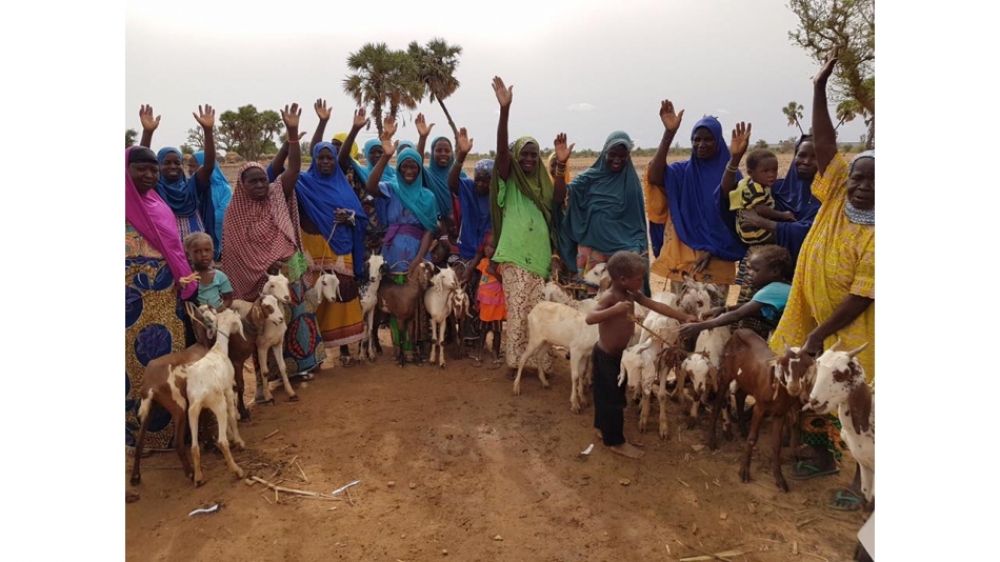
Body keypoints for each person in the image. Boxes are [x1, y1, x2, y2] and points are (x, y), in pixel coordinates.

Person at [769, 49, 874, 512]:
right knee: (809, 384)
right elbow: (828, 145)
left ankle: (862, 479)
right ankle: (819, 453)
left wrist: (819, 334)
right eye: (859, 177)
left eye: (874, 181)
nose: (863, 186)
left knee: (857, 403)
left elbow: (859, 297)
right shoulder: (834, 191)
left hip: (851, 332)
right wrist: (818, 89)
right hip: (810, 313)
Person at [220, 103, 327, 391]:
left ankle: (305, 365)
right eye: (252, 181)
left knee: (299, 315)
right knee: (265, 323)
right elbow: (235, 251)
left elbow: (293, 167)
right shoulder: (234, 213)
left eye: (262, 180)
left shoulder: (277, 192)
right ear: (242, 185)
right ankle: (273, 376)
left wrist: (292, 134)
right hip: (260, 279)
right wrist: (263, 270)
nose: (260, 185)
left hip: (290, 266)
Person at [585, 251, 697, 459]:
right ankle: (616, 442)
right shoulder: (612, 297)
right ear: (623, 280)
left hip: (618, 357)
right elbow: (590, 318)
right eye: (640, 278)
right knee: (613, 400)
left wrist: (684, 317)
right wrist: (615, 310)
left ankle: (602, 428)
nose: (642, 281)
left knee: (607, 396)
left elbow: (656, 305)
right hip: (605, 357)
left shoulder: (631, 293)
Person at [489, 76, 566, 378]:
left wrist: (560, 165)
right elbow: (501, 154)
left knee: (540, 313)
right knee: (519, 312)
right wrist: (505, 110)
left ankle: (541, 362)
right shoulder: (509, 178)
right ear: (517, 157)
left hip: (541, 256)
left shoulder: (544, 184)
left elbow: (558, 200)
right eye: (525, 154)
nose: (530, 159)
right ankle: (517, 361)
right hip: (515, 255)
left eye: (534, 154)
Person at [126, 146, 199, 453]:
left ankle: (171, 433)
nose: (149, 175)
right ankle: (133, 436)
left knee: (167, 363)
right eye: (141, 169)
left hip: (166, 300)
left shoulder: (159, 205)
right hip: (130, 304)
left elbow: (175, 250)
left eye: (153, 170)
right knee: (131, 366)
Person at [644, 101, 746, 304]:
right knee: (682, 316)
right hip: (684, 257)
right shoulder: (682, 172)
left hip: (718, 257)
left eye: (708, 139)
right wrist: (668, 134)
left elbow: (734, 220)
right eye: (696, 140)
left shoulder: (731, 175)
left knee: (711, 319)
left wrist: (713, 249)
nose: (701, 144)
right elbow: (655, 177)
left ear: (718, 141)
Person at [719, 133, 821, 336]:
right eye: (801, 155)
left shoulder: (826, 197)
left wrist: (764, 222)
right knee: (746, 320)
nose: (806, 161)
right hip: (760, 269)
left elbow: (812, 232)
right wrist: (735, 159)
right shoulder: (776, 187)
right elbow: (728, 195)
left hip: (801, 274)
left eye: (815, 156)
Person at [365, 118, 438, 362]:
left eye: (413, 168)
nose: (409, 171)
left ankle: (415, 347)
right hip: (393, 252)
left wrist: (419, 259)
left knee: (416, 300)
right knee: (396, 300)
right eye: (404, 167)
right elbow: (370, 185)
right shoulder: (392, 188)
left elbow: (430, 230)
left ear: (419, 170)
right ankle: (398, 348)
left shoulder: (428, 196)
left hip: (418, 253)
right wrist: (386, 156)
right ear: (399, 168)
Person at [559, 130, 650, 296]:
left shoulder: (631, 185)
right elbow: (560, 197)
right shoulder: (588, 179)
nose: (617, 159)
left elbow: (636, 225)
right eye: (612, 154)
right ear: (604, 153)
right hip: (592, 251)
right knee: (591, 302)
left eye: (622, 156)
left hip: (623, 253)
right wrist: (561, 165)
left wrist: (636, 251)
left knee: (624, 300)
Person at [138, 104, 220, 247]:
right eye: (167, 163)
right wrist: (148, 132)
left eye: (177, 163)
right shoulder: (155, 188)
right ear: (158, 165)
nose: (173, 167)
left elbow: (208, 166)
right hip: (166, 246)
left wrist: (208, 131)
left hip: (196, 250)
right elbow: (142, 162)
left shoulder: (192, 186)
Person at [678, 245, 792, 341]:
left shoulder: (772, 290)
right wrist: (724, 309)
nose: (750, 274)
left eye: (756, 270)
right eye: (749, 269)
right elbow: (751, 307)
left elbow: (738, 314)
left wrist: (700, 326)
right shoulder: (781, 286)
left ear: (775, 271)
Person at [725, 145, 795, 246]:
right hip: (757, 233)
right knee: (789, 234)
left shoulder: (750, 184)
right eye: (765, 171)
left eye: (774, 170)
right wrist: (783, 215)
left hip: (750, 233)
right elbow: (761, 209)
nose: (771, 174)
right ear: (750, 173)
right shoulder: (755, 187)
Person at [415, 113, 466, 229]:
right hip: (433, 227)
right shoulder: (427, 174)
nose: (443, 154)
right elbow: (417, 164)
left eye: (447, 150)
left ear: (452, 154)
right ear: (432, 153)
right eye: (438, 150)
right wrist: (422, 138)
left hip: (458, 227)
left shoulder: (461, 175)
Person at [187, 150, 232, 261]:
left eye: (194, 166)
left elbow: (223, 213)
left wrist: (201, 223)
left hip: (214, 233)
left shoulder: (224, 188)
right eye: (189, 166)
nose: (190, 170)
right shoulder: (189, 186)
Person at [474, 233, 505, 367]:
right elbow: (480, 281)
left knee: (497, 330)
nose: (487, 249)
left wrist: (493, 272)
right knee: (482, 329)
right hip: (485, 301)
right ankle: (479, 355)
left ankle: (495, 355)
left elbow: (504, 281)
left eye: (491, 247)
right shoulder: (483, 262)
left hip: (497, 301)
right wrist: (476, 296)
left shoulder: (501, 265)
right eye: (486, 246)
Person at [184, 232, 233, 311]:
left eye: (207, 250)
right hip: (194, 317)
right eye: (197, 251)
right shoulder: (187, 276)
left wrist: (217, 312)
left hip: (216, 317)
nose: (204, 254)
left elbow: (228, 299)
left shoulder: (220, 276)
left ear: (213, 252)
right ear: (188, 255)